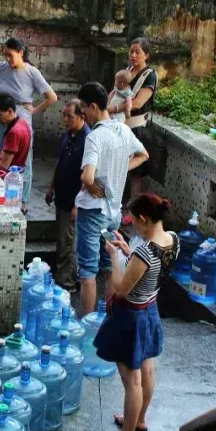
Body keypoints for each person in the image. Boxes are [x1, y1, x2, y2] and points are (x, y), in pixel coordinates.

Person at [93, 194, 179, 431]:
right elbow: (149, 270)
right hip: (150, 307)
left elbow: (120, 290)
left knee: (132, 380)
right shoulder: (173, 239)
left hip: (131, 316)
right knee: (147, 370)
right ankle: (139, 420)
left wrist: (115, 258)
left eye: (134, 223)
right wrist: (128, 250)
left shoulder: (144, 252)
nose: (132, 228)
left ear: (143, 219)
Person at [74, 82, 149, 317]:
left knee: (87, 270)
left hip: (93, 211)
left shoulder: (95, 137)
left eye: (83, 108)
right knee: (108, 266)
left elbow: (87, 175)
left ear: (93, 107)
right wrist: (119, 169)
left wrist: (91, 183)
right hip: (114, 212)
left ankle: (87, 321)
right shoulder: (123, 130)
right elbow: (143, 155)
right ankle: (106, 318)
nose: (82, 114)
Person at [0, 37, 59, 205]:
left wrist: (34, 110)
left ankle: (22, 201)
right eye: (6, 55)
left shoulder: (31, 72)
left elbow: (52, 97)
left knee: (23, 161)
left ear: (21, 53)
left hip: (21, 121)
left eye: (11, 55)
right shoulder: (2, 67)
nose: (8, 59)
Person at [106, 38, 159, 213]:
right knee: (117, 165)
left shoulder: (149, 75)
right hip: (118, 124)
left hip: (136, 126)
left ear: (146, 55)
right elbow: (114, 90)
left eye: (138, 52)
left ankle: (134, 211)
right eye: (131, 51)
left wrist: (113, 108)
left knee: (136, 172)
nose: (133, 55)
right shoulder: (126, 71)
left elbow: (136, 103)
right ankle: (115, 204)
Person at [45, 99, 89, 291]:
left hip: (74, 200)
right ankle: (61, 276)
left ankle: (67, 282)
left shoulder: (88, 140)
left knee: (68, 242)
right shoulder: (67, 135)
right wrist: (51, 187)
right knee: (62, 239)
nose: (65, 119)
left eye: (70, 116)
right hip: (61, 196)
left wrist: (77, 205)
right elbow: (60, 163)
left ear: (82, 116)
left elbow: (87, 176)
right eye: (64, 115)